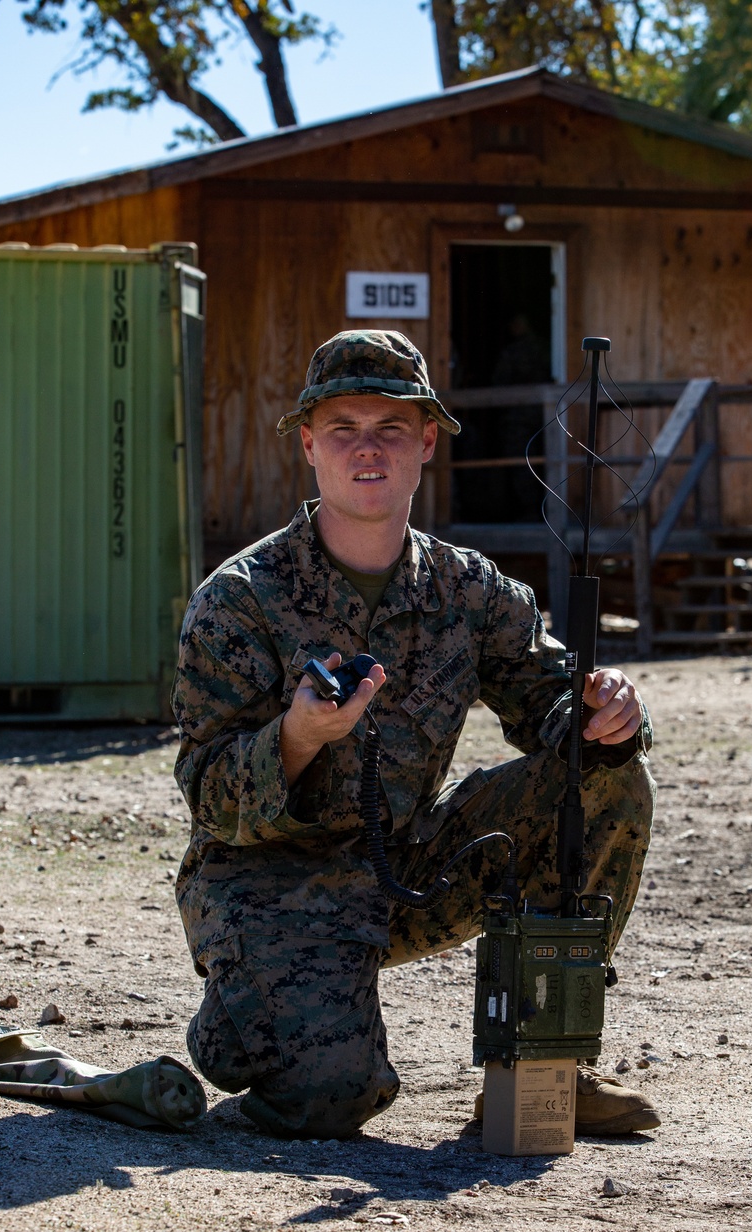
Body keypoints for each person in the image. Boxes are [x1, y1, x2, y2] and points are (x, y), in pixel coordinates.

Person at [172, 330, 658, 1141]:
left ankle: (542, 1066)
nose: (368, 450)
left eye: (391, 429)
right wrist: (296, 737)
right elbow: (212, 799)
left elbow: (552, 704)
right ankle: (249, 1015)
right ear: (309, 446)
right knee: (326, 1101)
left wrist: (607, 711)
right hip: (268, 881)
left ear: (427, 441)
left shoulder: (470, 590)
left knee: (607, 775)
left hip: (406, 870)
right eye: (344, 429)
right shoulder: (239, 600)